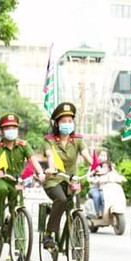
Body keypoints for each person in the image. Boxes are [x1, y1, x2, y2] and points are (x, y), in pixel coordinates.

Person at [42, 103, 93, 252]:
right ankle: (49, 234)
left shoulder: (77, 140)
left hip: (71, 180)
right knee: (61, 200)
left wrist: (97, 166)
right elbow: (50, 155)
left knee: (76, 211)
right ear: (57, 124)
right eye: (64, 121)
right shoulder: (49, 140)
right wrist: (51, 168)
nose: (67, 124)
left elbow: (86, 155)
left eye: (70, 121)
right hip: (54, 179)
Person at [0, 113, 45, 228]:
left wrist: (41, 173)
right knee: (1, 189)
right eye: (7, 128)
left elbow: (33, 160)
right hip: (1, 179)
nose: (11, 130)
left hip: (16, 181)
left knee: (17, 207)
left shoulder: (23, 145)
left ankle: (20, 241)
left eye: (14, 128)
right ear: (1, 131)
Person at [88, 151, 109, 219]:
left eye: (104, 155)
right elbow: (88, 177)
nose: (102, 157)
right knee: (97, 196)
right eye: (101, 155)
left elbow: (114, 174)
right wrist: (93, 180)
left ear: (107, 157)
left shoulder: (109, 166)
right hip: (95, 188)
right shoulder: (93, 167)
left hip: (106, 188)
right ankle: (98, 213)